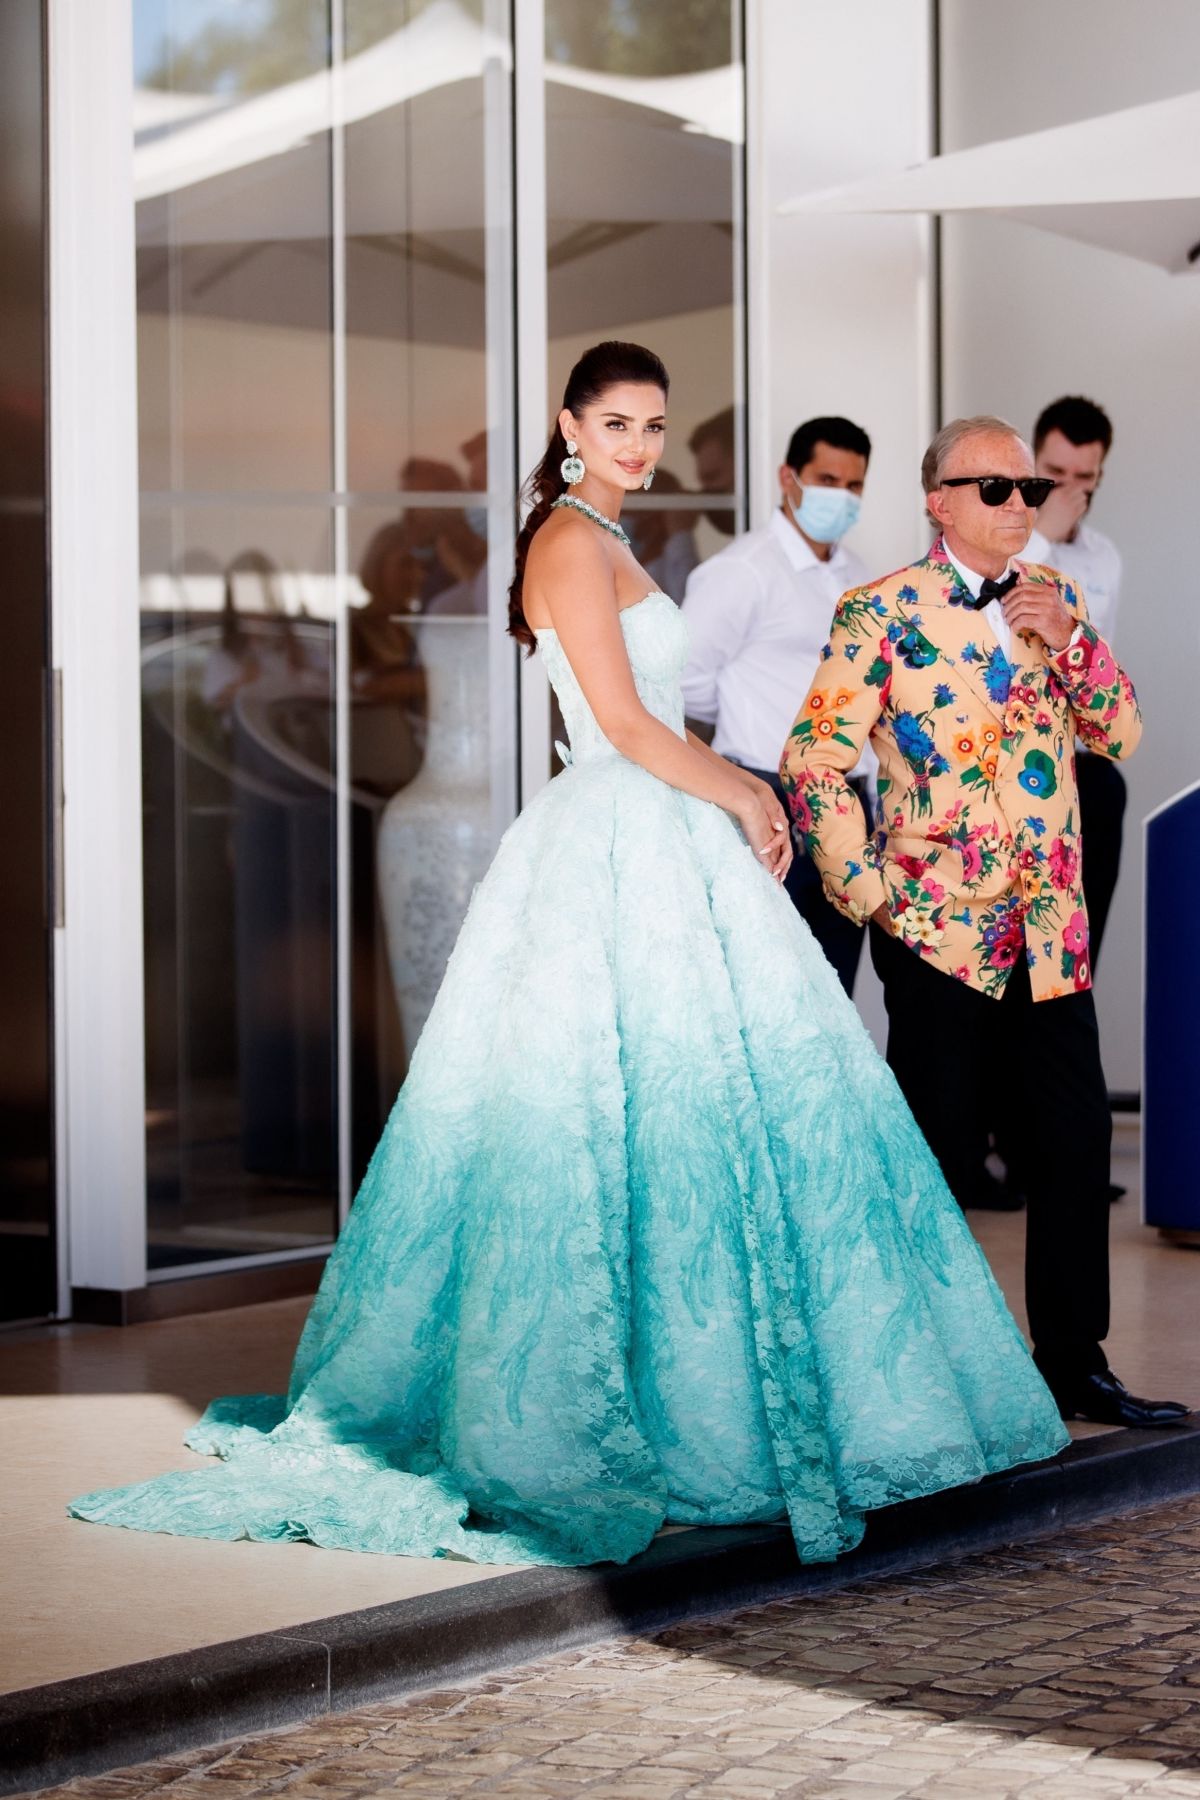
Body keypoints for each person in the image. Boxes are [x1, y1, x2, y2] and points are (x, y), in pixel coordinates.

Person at [70, 355, 1069, 1570]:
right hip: (616, 830)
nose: (641, 444)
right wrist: (752, 792)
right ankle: (647, 1408)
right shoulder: (563, 541)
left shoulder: (607, 533)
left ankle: (737, 1390)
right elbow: (634, 725)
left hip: (661, 832)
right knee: (610, 1123)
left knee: (721, 1120)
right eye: (617, 424)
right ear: (569, 427)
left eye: (653, 425)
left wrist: (730, 798)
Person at [780, 414, 1188, 1431]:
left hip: (1049, 927)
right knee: (937, 1152)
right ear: (940, 499)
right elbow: (816, 762)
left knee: (1074, 1137)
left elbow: (1122, 732)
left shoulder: (1062, 603)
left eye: (1031, 492)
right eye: (998, 489)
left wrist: (1072, 640)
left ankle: (1074, 1362)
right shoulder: (876, 613)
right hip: (934, 931)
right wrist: (866, 893)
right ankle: (917, 1374)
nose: (1021, 507)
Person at [681, 417, 874, 995]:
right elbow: (685, 680)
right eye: (826, 479)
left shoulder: (856, 571)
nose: (840, 496)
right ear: (788, 477)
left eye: (854, 485)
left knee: (834, 988)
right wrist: (753, 721)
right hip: (769, 794)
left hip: (847, 799)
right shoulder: (742, 570)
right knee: (767, 987)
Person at [1025, 396, 1126, 965]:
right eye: (1054, 474)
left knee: (1077, 956)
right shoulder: (999, 545)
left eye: (1082, 479)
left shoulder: (1104, 558)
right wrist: (1042, 537)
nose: (1068, 489)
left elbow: (1098, 668)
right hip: (1011, 770)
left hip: (1083, 768)